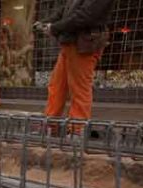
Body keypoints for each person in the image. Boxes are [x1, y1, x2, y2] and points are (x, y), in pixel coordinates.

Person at [36, 0, 115, 134]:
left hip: (83, 45)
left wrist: (55, 27)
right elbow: (66, 10)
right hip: (70, 43)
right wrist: (47, 23)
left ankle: (77, 129)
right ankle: (50, 125)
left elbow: (85, 16)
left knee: (79, 88)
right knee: (57, 86)